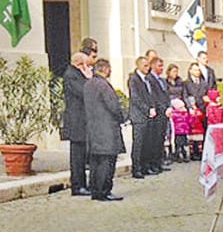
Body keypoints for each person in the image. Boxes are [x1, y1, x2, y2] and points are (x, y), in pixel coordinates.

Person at [83, 59, 125, 201]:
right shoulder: (104, 85)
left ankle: (95, 190)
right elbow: (113, 106)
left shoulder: (88, 84)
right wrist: (122, 117)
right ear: (105, 69)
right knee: (107, 162)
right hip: (107, 129)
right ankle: (104, 190)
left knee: (95, 162)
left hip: (93, 129)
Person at [62, 52, 91, 196]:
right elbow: (84, 92)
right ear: (80, 64)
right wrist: (88, 79)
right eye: (86, 64)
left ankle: (83, 184)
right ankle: (77, 185)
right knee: (77, 157)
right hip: (76, 121)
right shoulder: (71, 75)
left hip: (83, 121)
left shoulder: (77, 75)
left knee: (82, 155)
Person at [128, 56, 155, 179]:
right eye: (145, 65)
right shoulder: (133, 79)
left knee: (147, 143)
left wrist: (152, 107)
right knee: (138, 143)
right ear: (138, 65)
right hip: (138, 116)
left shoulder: (148, 79)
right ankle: (136, 168)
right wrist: (147, 109)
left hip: (149, 115)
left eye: (148, 65)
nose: (147, 68)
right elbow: (135, 98)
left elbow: (150, 95)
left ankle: (145, 166)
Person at [148, 56, 171, 173]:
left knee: (161, 139)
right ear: (153, 66)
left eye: (162, 66)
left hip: (165, 114)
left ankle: (159, 162)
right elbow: (155, 97)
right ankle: (153, 164)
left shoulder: (162, 80)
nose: (162, 68)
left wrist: (169, 107)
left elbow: (166, 95)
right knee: (155, 140)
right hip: (157, 114)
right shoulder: (150, 79)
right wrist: (163, 108)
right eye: (159, 66)